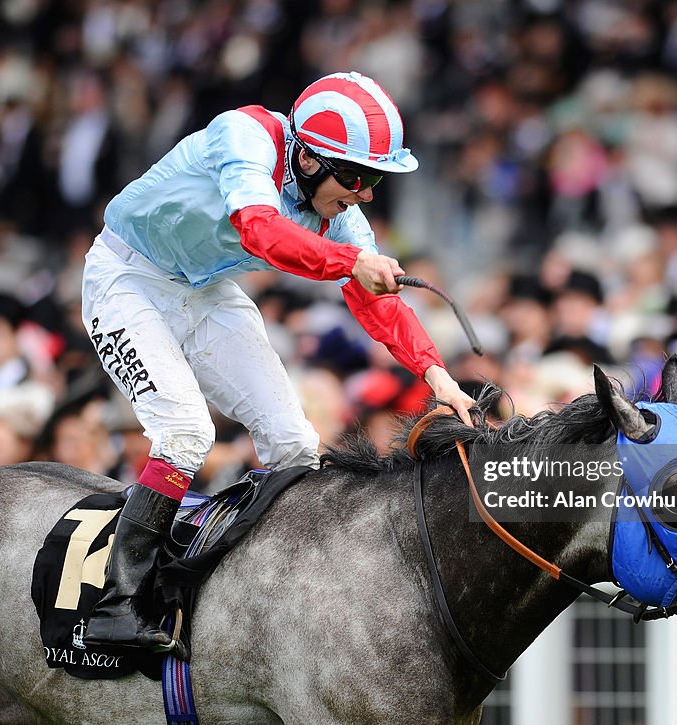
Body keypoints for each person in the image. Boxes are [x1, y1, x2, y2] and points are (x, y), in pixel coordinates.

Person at [80, 71, 474, 653]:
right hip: (125, 277)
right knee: (188, 432)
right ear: (311, 160)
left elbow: (376, 301)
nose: (365, 194)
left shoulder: (338, 212)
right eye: (359, 177)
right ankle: (117, 603)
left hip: (202, 290)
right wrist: (349, 261)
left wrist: (439, 377)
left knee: (296, 443)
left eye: (375, 181)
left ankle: (276, 591)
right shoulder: (245, 134)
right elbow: (259, 231)